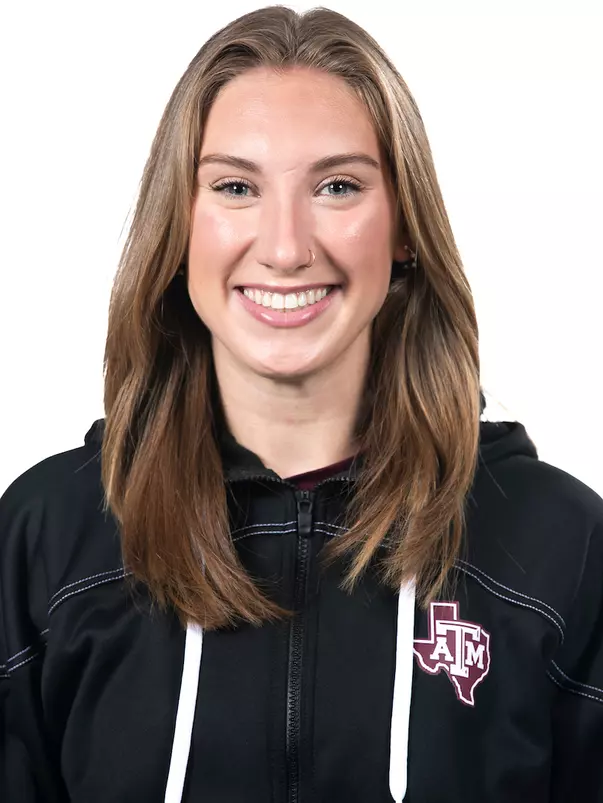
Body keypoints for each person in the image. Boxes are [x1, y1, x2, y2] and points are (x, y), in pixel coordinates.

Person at [1, 5, 602, 802]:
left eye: (338, 185)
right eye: (236, 186)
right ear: (178, 227)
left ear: (404, 230)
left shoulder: (557, 545)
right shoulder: (49, 538)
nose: (285, 248)